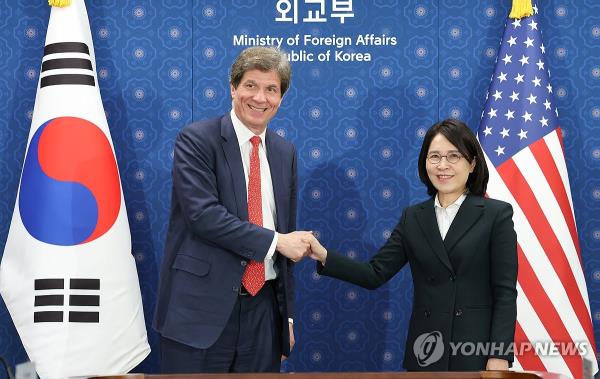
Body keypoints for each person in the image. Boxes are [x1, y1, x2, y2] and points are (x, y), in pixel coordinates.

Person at [308, 119, 518, 371]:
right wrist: (323, 255)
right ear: (424, 163)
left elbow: (505, 292)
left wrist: (499, 354)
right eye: (435, 156)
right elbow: (374, 273)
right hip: (426, 351)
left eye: (454, 156)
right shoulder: (413, 217)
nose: (443, 165)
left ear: (472, 163)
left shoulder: (496, 215)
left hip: (475, 352)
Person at [154, 46, 311, 373]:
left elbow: (287, 238)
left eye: (272, 89)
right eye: (251, 85)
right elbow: (204, 216)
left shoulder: (285, 152)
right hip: (200, 313)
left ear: (281, 98)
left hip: (264, 314)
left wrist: (287, 318)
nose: (260, 98)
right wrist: (276, 242)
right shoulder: (197, 140)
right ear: (233, 88)